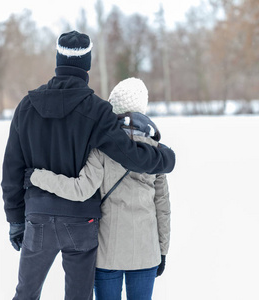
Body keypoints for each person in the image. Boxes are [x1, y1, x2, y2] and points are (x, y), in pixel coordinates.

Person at [1, 31, 175, 300]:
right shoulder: (98, 111)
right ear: (88, 63)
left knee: (26, 294)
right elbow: (128, 154)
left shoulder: (26, 107)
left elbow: (12, 168)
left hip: (38, 217)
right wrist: (165, 158)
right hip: (81, 222)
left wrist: (15, 219)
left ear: (58, 59)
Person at [24, 78, 171, 300]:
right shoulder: (157, 152)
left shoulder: (101, 148)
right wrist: (162, 250)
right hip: (146, 251)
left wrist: (38, 176)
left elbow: (81, 189)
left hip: (107, 253)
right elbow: (162, 207)